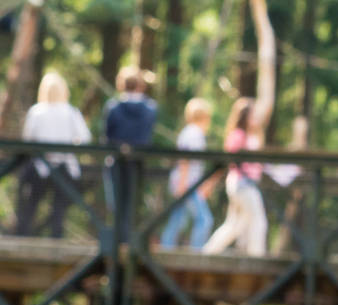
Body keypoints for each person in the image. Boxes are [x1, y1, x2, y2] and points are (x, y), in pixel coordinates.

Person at [16, 72, 90, 238]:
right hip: (65, 166)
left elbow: (27, 138)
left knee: (32, 204)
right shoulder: (71, 112)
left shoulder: (36, 112)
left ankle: (24, 237)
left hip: (41, 165)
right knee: (59, 207)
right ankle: (56, 239)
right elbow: (84, 138)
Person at [203, 97, 268, 255]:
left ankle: (208, 252)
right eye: (253, 115)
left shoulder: (252, 136)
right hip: (242, 183)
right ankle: (257, 258)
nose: (256, 119)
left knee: (234, 224)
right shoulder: (238, 135)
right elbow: (231, 159)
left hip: (245, 183)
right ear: (245, 117)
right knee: (258, 220)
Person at [102, 67, 158, 218]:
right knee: (133, 204)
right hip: (137, 162)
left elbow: (106, 136)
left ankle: (118, 239)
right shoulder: (150, 108)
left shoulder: (113, 107)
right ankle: (129, 239)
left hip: (116, 161)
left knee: (116, 205)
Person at [160, 97, 215, 249]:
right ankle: (197, 252)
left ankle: (167, 247)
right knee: (204, 220)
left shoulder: (190, 132)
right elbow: (185, 161)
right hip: (187, 184)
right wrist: (183, 185)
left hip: (188, 183)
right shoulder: (193, 133)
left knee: (178, 219)